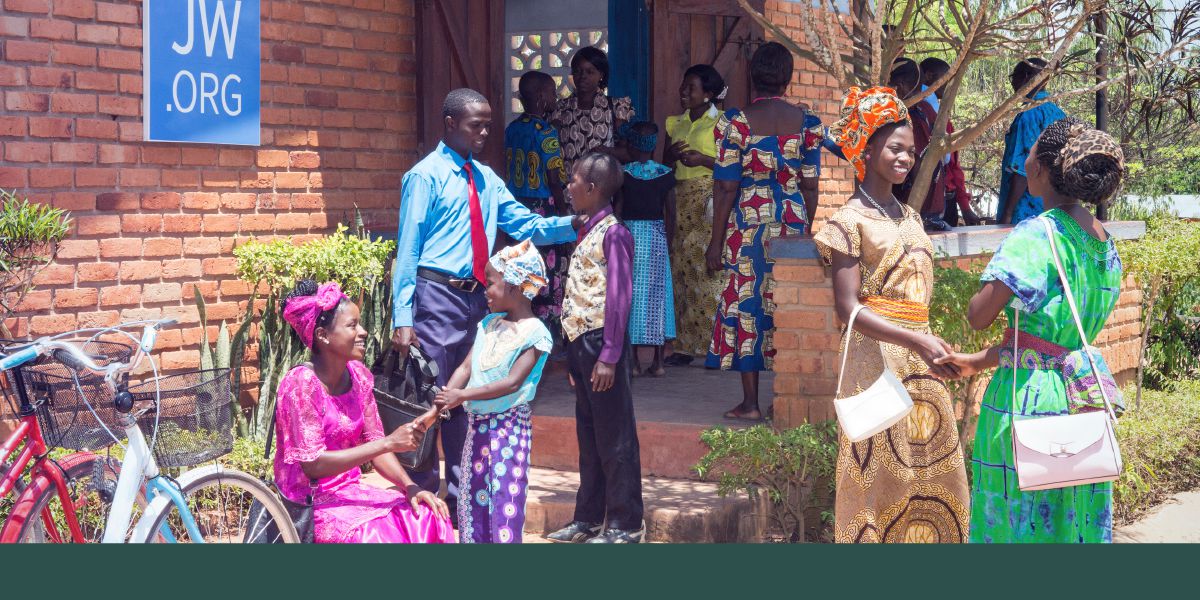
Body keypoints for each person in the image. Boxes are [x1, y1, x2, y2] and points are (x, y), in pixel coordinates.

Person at [393, 87, 583, 525]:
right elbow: (407, 249)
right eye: (474, 125)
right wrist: (403, 316)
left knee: (467, 396)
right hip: (436, 295)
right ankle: (422, 507)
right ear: (449, 124)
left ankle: (463, 508)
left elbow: (527, 224)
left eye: (486, 125)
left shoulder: (487, 178)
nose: (482, 133)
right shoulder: (424, 176)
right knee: (433, 397)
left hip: (480, 300)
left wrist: (573, 223)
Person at [937, 118, 1126, 543]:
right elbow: (1050, 338)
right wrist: (976, 362)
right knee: (1070, 523)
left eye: (1031, 151)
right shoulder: (1103, 242)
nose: (1024, 160)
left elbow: (978, 315)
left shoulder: (1037, 235)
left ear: (1041, 169)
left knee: (1016, 523)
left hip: (1028, 400)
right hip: (1081, 401)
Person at [814, 86, 970, 543]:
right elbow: (848, 309)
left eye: (911, 151)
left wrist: (926, 343)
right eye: (895, 149)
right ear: (866, 150)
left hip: (920, 367)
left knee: (933, 480)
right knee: (877, 480)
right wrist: (916, 340)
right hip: (874, 364)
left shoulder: (910, 217)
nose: (905, 158)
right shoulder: (846, 222)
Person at [274, 279, 454, 544]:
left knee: (427, 515)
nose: (364, 331)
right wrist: (389, 442)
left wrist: (410, 486)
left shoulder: (358, 377)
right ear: (323, 335)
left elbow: (374, 442)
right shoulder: (301, 384)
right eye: (352, 325)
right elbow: (313, 466)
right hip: (308, 501)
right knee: (376, 536)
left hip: (349, 490)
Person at [707, 41, 823, 420]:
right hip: (791, 222)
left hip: (748, 225)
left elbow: (725, 186)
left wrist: (715, 241)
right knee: (786, 305)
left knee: (748, 307)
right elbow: (810, 185)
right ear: (789, 80)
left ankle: (750, 403)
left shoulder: (735, 124)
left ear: (751, 76)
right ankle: (784, 398)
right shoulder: (807, 124)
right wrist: (804, 230)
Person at [545, 152, 645, 544]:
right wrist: (575, 358)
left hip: (603, 346)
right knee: (590, 436)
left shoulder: (615, 233)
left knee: (616, 437)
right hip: (581, 346)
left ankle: (626, 524)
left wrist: (608, 355)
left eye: (573, 181)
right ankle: (587, 518)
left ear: (592, 188)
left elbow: (619, 298)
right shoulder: (587, 229)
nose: (568, 187)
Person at [434, 241, 554, 544]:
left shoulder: (536, 334)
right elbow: (465, 366)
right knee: (473, 499)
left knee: (503, 503)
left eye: (490, 283)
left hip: (508, 432)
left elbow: (512, 383)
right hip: (478, 431)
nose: (484, 290)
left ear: (513, 285)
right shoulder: (488, 324)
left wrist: (463, 396)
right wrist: (448, 394)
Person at [662, 64, 727, 367]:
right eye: (683, 86)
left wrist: (703, 159)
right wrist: (672, 156)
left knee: (707, 270)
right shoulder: (675, 122)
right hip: (681, 197)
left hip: (710, 198)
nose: (684, 92)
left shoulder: (723, 123)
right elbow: (664, 164)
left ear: (709, 94)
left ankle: (712, 346)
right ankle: (685, 346)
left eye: (692, 87)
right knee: (682, 269)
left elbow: (732, 166)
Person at [505, 71, 571, 339]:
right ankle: (546, 332)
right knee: (548, 272)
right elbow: (555, 178)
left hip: (516, 208)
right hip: (544, 210)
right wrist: (566, 218)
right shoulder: (547, 132)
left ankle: (521, 321)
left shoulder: (512, 129)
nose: (556, 97)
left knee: (523, 268)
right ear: (543, 98)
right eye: (553, 93)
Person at [616, 121, 677, 376]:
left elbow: (617, 211)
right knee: (658, 297)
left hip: (629, 236)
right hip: (656, 237)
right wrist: (669, 243)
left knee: (629, 295)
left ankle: (633, 363)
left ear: (631, 145)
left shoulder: (624, 174)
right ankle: (659, 363)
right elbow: (671, 213)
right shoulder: (665, 174)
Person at [997, 58, 1066, 224]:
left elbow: (1022, 167)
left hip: (1026, 210)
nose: (1012, 83)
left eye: (1014, 77)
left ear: (1027, 77)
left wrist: (1007, 213)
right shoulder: (1056, 112)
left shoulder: (1029, 113)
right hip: (1053, 206)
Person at [551, 46, 635, 174]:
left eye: (590, 72)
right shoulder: (560, 109)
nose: (583, 76)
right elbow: (550, 150)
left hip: (603, 189)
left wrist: (608, 151)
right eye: (578, 71)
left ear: (601, 75)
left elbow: (630, 153)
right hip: (568, 189)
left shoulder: (616, 108)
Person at [890, 58, 950, 232]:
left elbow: (918, 164)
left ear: (899, 86)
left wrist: (912, 212)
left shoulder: (910, 117)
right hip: (933, 209)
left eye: (889, 85)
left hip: (918, 213)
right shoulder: (927, 109)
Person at [919, 57, 980, 227]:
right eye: (945, 79)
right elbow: (949, 163)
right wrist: (965, 206)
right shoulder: (933, 115)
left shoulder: (935, 112)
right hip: (937, 200)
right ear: (930, 76)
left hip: (940, 198)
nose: (949, 85)